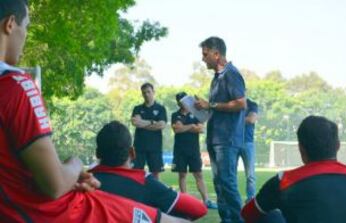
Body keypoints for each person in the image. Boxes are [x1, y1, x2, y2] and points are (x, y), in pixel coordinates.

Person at [0, 1, 189, 222]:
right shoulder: (16, 86)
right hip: (57, 213)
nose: (25, 37)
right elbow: (55, 185)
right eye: (27, 27)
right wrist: (75, 164)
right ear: (10, 25)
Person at [241, 116, 346, 223]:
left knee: (269, 215)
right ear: (338, 146)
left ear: (301, 149)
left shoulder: (283, 181)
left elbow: (247, 214)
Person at [89, 121, 208, 220]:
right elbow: (199, 209)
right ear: (132, 153)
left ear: (97, 153)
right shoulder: (144, 183)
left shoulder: (82, 184)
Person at [195, 36, 247, 223]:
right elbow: (215, 107)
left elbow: (241, 103)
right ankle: (226, 219)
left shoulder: (231, 74)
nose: (203, 59)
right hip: (215, 138)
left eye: (205, 54)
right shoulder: (216, 78)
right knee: (219, 184)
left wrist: (211, 104)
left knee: (227, 182)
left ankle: (238, 220)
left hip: (227, 139)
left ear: (217, 54)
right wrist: (201, 108)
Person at [171, 92, 217, 209]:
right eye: (180, 100)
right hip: (180, 150)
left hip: (193, 150)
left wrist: (185, 127)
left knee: (199, 175)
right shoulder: (175, 115)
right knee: (182, 175)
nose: (183, 102)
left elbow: (201, 129)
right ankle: (184, 201)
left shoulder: (195, 113)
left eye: (184, 99)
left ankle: (206, 200)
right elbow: (177, 129)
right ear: (178, 103)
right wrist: (192, 127)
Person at [131, 83, 167, 180]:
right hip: (139, 147)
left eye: (148, 92)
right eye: (144, 93)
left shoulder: (160, 109)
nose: (146, 94)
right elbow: (135, 123)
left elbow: (161, 125)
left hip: (155, 146)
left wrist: (143, 123)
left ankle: (155, 194)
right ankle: (137, 194)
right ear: (142, 94)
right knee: (136, 173)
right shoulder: (137, 108)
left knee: (155, 174)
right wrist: (152, 122)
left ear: (153, 92)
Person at [241, 98, 258, 203]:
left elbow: (251, 119)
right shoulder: (232, 103)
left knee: (250, 175)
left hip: (248, 143)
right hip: (233, 142)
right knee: (230, 174)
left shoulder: (252, 104)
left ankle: (250, 198)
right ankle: (232, 199)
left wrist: (234, 120)